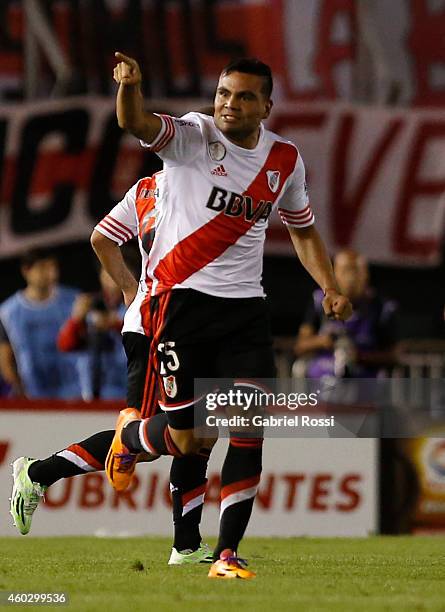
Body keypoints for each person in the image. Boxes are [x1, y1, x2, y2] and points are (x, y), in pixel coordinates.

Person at [105, 52, 352, 579]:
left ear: (266, 105)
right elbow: (135, 123)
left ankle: (226, 554)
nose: (229, 105)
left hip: (245, 309)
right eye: (223, 93)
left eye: (243, 96)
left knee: (247, 427)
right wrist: (131, 86)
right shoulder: (193, 137)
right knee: (191, 439)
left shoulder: (284, 160)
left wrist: (329, 286)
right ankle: (128, 438)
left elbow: (303, 230)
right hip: (181, 306)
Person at [9, 173, 212, 566]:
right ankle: (38, 475)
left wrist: (131, 292)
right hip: (162, 322)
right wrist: (134, 292)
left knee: (197, 430)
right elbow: (102, 239)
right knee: (175, 431)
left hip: (179, 320)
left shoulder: (149, 186)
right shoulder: (198, 186)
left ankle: (186, 545)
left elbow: (102, 237)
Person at [294, 249, 398, 379]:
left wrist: (358, 357)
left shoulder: (383, 307)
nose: (351, 278)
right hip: (324, 377)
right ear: (334, 273)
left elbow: (394, 355)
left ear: (366, 275)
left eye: (356, 271)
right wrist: (322, 341)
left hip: (364, 379)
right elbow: (300, 346)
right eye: (345, 271)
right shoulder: (319, 301)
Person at [0, 248, 81, 399]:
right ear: (26, 270)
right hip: (34, 397)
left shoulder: (74, 302)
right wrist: (19, 391)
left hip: (74, 395)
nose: (50, 273)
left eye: (53, 267)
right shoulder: (8, 312)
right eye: (43, 267)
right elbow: (5, 358)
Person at [57, 266, 128, 400]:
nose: (111, 279)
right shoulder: (90, 304)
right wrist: (76, 320)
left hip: (124, 388)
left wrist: (114, 324)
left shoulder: (135, 305)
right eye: (107, 274)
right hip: (88, 390)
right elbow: (64, 345)